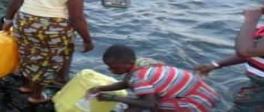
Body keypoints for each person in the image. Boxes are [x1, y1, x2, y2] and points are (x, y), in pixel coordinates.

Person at [3, 0, 92, 105]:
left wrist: (7, 21)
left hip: (25, 22)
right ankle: (36, 96)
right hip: (54, 29)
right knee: (47, 62)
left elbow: (15, 1)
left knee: (26, 52)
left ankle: (26, 86)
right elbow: (77, 18)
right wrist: (87, 40)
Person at [89, 45, 220, 112]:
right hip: (204, 93)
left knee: (149, 105)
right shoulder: (141, 64)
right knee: (137, 101)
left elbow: (149, 103)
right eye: (109, 67)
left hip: (194, 102)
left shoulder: (139, 77)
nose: (111, 70)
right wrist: (100, 88)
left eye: (114, 67)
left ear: (128, 63)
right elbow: (125, 83)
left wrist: (112, 97)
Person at [196, 2, 264, 110]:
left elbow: (246, 51)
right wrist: (217, 64)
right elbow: (252, 53)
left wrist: (250, 20)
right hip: (258, 83)